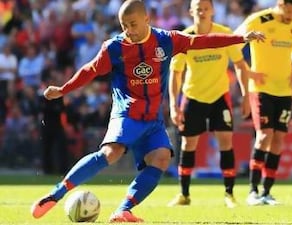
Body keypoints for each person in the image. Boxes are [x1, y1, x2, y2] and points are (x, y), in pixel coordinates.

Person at [30, 0, 265, 223]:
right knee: (111, 154)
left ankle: (123, 210)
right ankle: (55, 194)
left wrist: (240, 38)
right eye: (124, 26)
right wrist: (63, 89)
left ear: (147, 19)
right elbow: (90, 70)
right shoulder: (114, 47)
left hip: (153, 120)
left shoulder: (166, 40)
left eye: (133, 24)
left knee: (161, 158)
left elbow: (202, 41)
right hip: (127, 115)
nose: (129, 30)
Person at [166, 0, 264, 209]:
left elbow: (240, 65)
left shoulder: (224, 33)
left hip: (220, 97)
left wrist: (246, 96)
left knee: (226, 142)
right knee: (188, 144)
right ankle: (184, 194)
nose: (202, 12)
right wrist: (174, 105)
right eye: (198, 8)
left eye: (206, 8)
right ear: (191, 11)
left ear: (213, 11)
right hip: (193, 97)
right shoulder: (184, 38)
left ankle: (229, 194)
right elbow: (175, 74)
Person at [234, 0, 292, 205]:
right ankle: (252, 191)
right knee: (265, 135)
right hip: (262, 89)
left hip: (284, 91)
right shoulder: (259, 20)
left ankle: (267, 191)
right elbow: (233, 44)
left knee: (279, 138)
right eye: (289, 11)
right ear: (280, 4)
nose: (291, 16)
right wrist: (248, 71)